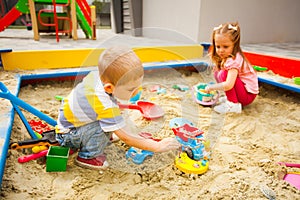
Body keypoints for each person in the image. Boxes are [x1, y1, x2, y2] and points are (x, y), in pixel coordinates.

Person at [55, 46, 180, 170]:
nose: (137, 92)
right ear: (109, 88)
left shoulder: (98, 76)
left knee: (113, 117)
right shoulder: (105, 104)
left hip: (75, 121)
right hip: (69, 135)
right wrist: (157, 146)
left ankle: (102, 136)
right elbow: (126, 138)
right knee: (105, 123)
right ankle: (87, 157)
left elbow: (95, 103)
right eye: (131, 89)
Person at [205, 22, 259, 114]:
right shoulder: (228, 56)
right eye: (218, 46)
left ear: (235, 45)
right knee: (217, 72)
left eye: (225, 47)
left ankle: (233, 105)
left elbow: (229, 85)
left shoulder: (233, 60)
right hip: (244, 91)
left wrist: (212, 87)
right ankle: (231, 98)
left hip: (248, 96)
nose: (221, 50)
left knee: (224, 74)